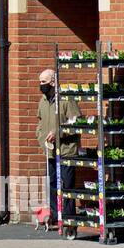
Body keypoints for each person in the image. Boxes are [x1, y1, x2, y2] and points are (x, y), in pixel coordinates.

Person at [37, 67, 81, 238]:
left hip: (66, 151)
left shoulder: (66, 99)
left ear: (53, 82)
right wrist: (41, 139)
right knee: (53, 185)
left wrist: (58, 133)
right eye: (40, 82)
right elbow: (40, 123)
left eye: (44, 82)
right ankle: (56, 217)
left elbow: (76, 122)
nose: (41, 85)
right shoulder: (42, 101)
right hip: (50, 151)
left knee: (66, 186)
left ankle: (69, 221)